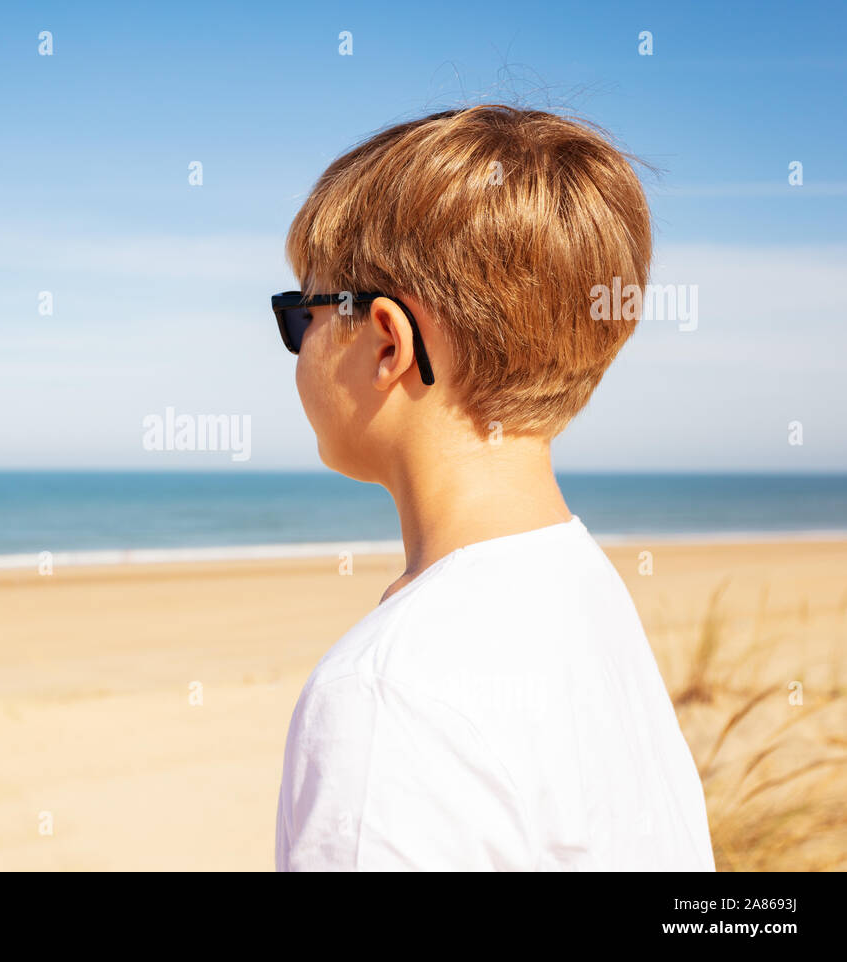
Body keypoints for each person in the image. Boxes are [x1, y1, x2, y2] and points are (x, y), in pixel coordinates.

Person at [272, 105, 714, 871]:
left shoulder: (387, 697)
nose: (296, 345)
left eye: (298, 313)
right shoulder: (579, 584)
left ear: (386, 342)